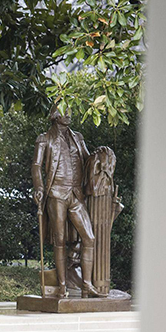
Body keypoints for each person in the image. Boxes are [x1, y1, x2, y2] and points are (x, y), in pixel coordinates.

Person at [32, 104, 105, 297]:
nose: (69, 115)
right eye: (65, 112)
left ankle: (86, 284)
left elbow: (88, 160)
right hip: (56, 193)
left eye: (70, 111)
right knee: (60, 241)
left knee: (89, 237)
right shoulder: (44, 139)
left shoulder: (77, 137)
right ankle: (62, 286)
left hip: (75, 194)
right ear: (55, 116)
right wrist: (39, 187)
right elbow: (37, 165)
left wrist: (100, 157)